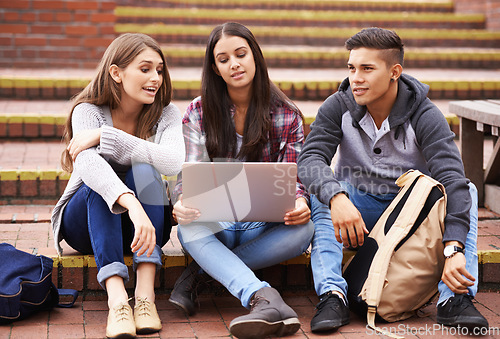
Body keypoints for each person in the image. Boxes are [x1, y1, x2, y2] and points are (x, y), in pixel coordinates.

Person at [297, 27, 489, 333]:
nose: (355, 78)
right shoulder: (338, 106)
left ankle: (454, 298)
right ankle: (333, 294)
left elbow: (451, 177)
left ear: (394, 72)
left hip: (411, 212)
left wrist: (452, 249)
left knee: (466, 189)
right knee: (322, 192)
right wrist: (337, 197)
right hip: (359, 206)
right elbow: (310, 159)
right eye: (352, 68)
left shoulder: (424, 114)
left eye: (367, 69)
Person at [169, 22, 314, 338]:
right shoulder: (198, 111)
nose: (234, 64)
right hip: (216, 225)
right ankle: (262, 296)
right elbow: (188, 171)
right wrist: (182, 199)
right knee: (187, 227)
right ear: (215, 68)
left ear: (255, 57)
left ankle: (201, 274)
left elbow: (294, 176)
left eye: (240, 54)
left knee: (305, 229)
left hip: (260, 225)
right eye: (223, 59)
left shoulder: (286, 114)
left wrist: (299, 201)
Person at [50, 33, 185, 338]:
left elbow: (172, 161)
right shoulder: (88, 111)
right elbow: (88, 166)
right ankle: (118, 302)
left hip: (146, 228)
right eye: (145, 69)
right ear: (116, 72)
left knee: (145, 169)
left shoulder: (167, 114)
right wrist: (132, 204)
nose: (156, 78)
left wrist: (105, 136)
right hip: (86, 223)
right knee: (100, 181)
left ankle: (146, 299)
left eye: (160, 70)